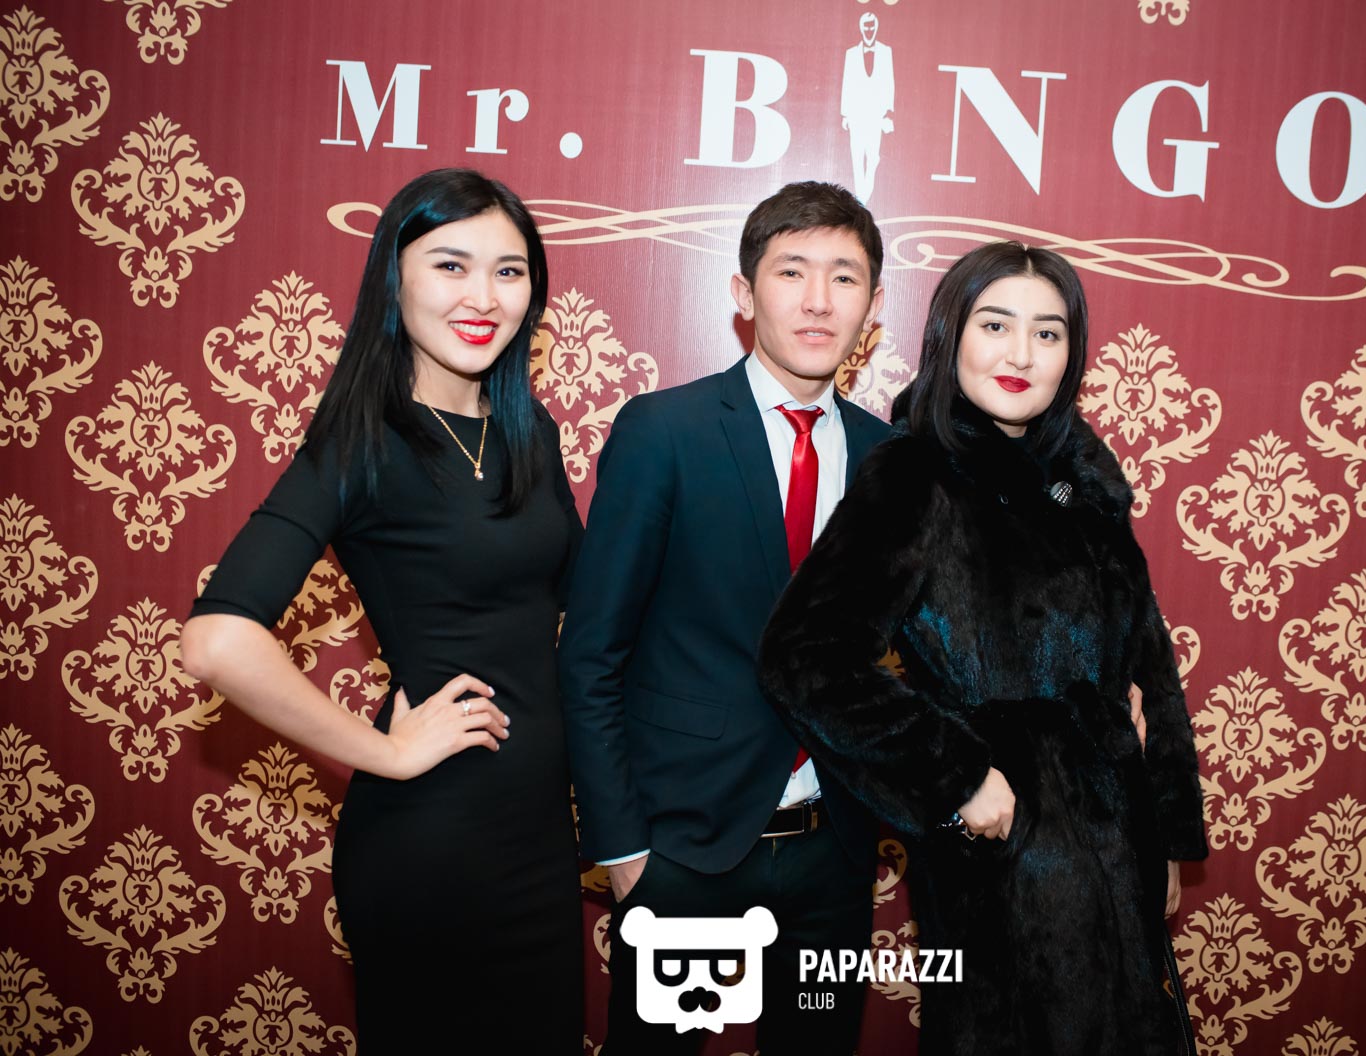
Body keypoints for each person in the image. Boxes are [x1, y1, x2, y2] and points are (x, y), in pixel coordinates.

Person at [758, 242, 1208, 1055]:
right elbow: (807, 654)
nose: (1020, 354)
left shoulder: (1087, 481)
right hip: (1004, 856)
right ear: (950, 335)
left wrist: (1165, 833)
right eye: (995, 325)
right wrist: (957, 777)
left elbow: (1150, 665)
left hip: (1118, 837)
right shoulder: (916, 475)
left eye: (1048, 333)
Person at [181, 168, 584, 1053]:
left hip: (540, 841)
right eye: (451, 265)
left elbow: (576, 615)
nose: (484, 297)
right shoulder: (360, 443)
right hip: (433, 846)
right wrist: (389, 755)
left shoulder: (530, 432)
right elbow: (216, 641)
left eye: (510, 271)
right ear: (393, 277)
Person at [557, 181, 892, 1054]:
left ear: (872, 306)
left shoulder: (890, 461)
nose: (818, 299)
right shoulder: (664, 432)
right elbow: (592, 653)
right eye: (792, 271)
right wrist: (625, 854)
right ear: (745, 293)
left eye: (844, 277)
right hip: (683, 852)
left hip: (833, 854)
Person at [840, 11, 895, 203]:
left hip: (875, 114)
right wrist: (845, 114)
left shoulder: (886, 51)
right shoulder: (851, 53)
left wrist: (888, 112)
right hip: (856, 114)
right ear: (861, 28)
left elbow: (889, 82)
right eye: (866, 27)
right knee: (857, 157)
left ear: (876, 28)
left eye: (872, 27)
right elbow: (847, 83)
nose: (869, 30)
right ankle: (861, 199)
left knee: (872, 157)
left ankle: (863, 199)